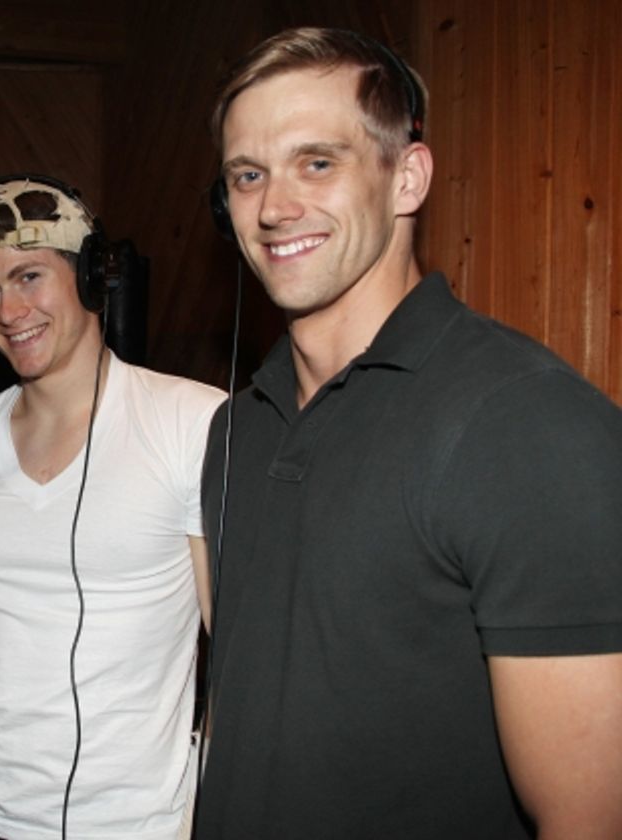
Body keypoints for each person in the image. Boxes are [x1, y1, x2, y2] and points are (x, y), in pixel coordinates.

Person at [198, 26, 622, 839]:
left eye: (317, 163)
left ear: (407, 177)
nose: (274, 207)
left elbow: (589, 819)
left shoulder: (529, 425)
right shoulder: (236, 427)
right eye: (248, 175)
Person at [0, 177, 225, 840]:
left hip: (128, 826)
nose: (10, 312)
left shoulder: (194, 424)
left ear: (92, 276)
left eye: (29, 276)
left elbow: (238, 651)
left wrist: (198, 817)